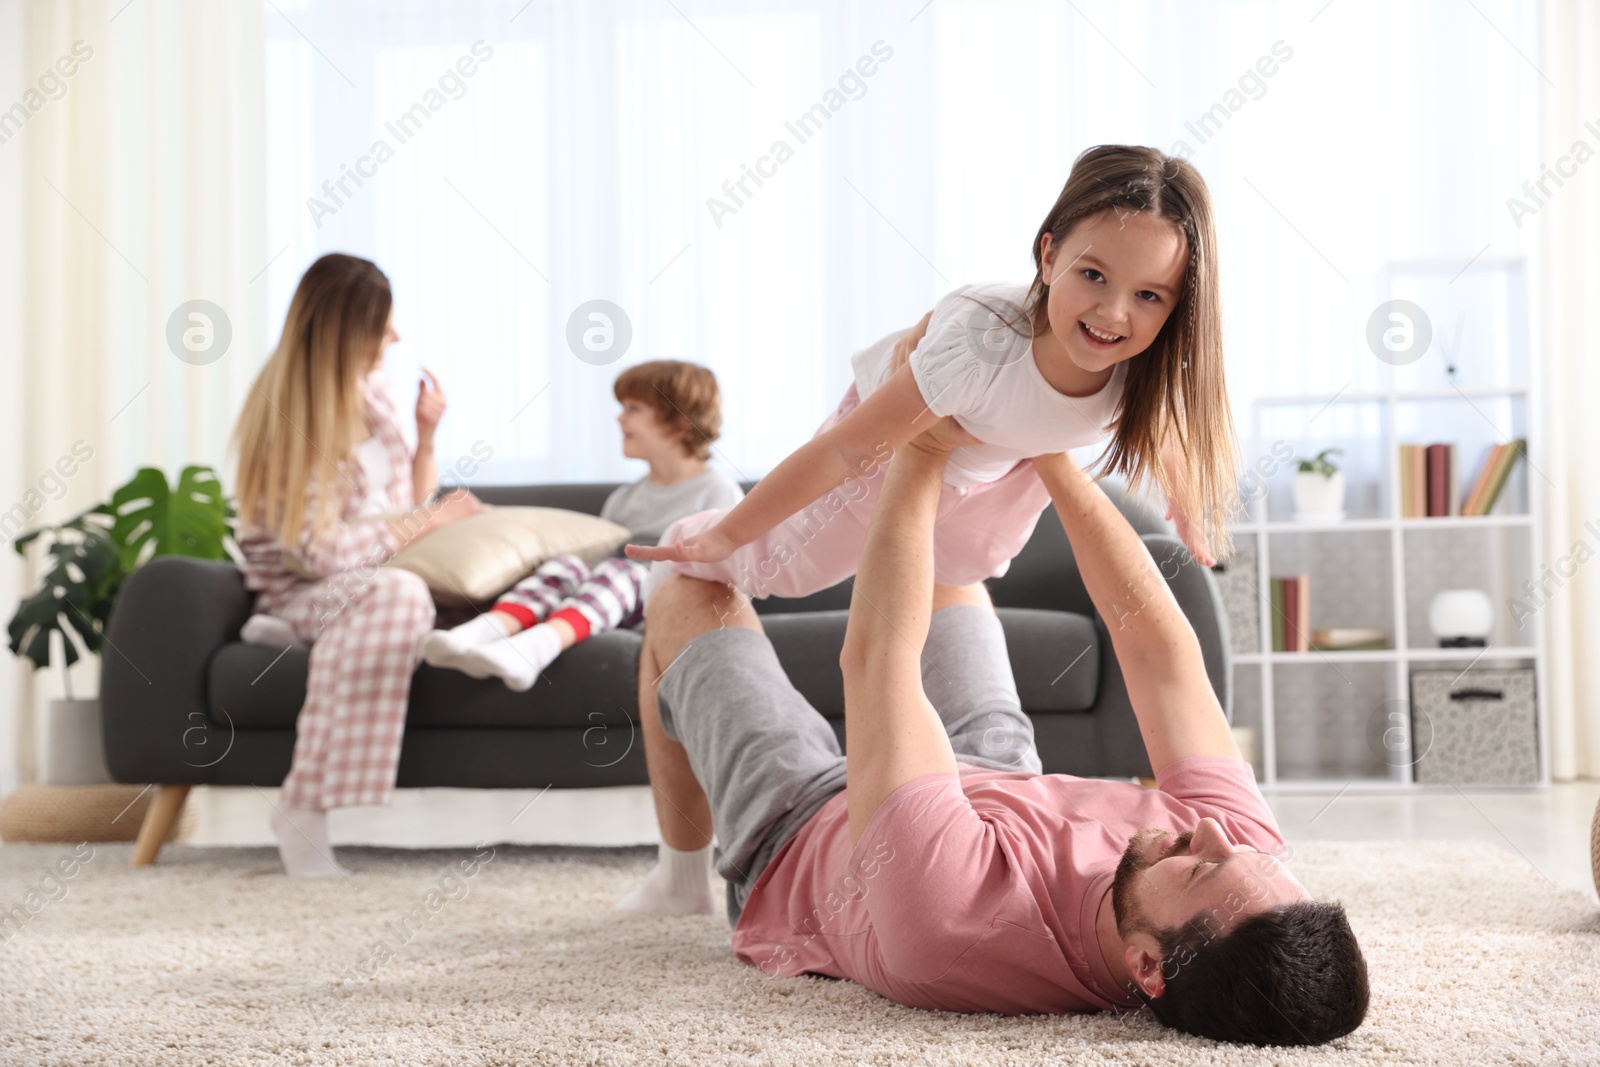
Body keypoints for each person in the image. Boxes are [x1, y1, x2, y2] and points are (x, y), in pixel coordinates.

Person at [631, 417, 1369, 1045]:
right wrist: (1050, 449)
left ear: (1148, 967)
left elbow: (881, 660)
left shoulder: (951, 925)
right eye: (1242, 849)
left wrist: (916, 447)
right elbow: (1160, 653)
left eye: (1201, 866)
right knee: (952, 551)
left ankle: (684, 874)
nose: (1212, 830)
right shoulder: (1246, 862)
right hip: (997, 776)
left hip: (802, 836)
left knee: (684, 576)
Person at [628, 145, 1239, 617]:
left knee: (971, 561)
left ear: (1176, 306)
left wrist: (1185, 511)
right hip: (896, 428)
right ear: (1049, 256)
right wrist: (726, 534)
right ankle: (689, 540)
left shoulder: (1145, 372)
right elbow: (844, 450)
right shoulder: (981, 349)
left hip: (1003, 458)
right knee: (784, 572)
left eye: (1148, 295)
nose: (1113, 314)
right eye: (1095, 276)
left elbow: (1168, 436)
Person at [233, 253, 484, 878]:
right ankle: (303, 806)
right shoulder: (291, 420)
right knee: (398, 594)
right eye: (384, 326)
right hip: (306, 588)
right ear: (349, 330)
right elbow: (319, 555)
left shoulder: (373, 398)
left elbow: (402, 509)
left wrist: (427, 440)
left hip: (371, 572)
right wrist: (428, 524)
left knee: (490, 562)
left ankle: (309, 641)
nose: (396, 338)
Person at [419, 360, 742, 692]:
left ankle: (536, 647)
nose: (620, 418)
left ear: (678, 425)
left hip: (659, 597)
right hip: (609, 592)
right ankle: (483, 632)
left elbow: (730, 574)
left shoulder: (717, 491)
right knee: (565, 565)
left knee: (624, 572)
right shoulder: (624, 498)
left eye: (633, 408)